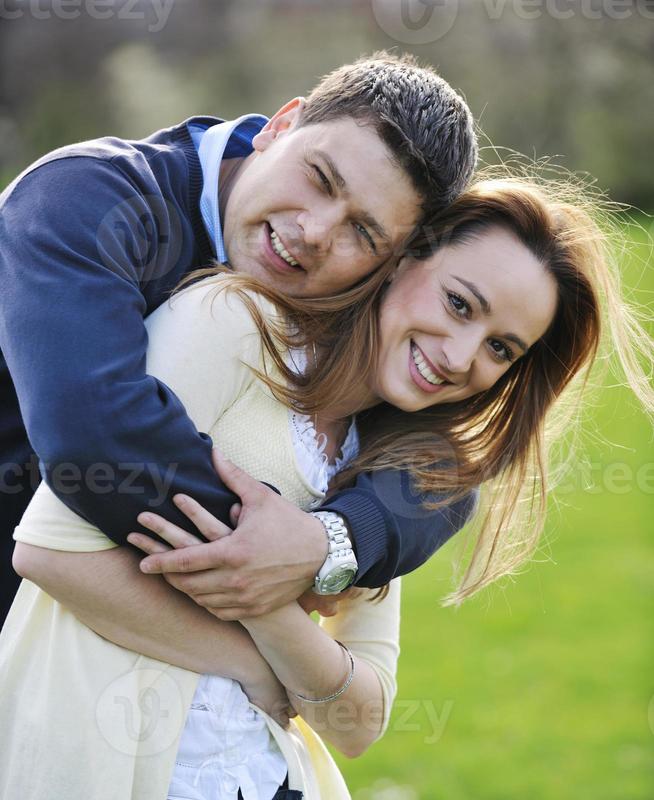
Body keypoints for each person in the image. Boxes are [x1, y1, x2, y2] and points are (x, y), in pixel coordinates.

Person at [1, 175, 652, 800]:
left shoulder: (386, 471)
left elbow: (358, 718)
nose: (460, 358)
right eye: (459, 303)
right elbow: (51, 553)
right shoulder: (232, 324)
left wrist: (278, 594)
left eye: (500, 349)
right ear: (404, 257)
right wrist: (267, 667)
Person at [0, 51, 478, 627]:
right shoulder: (83, 199)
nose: (314, 233)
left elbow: (442, 472)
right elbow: (94, 434)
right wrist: (284, 559)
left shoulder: (352, 286)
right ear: (280, 125)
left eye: (362, 230)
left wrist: (334, 541)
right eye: (320, 178)